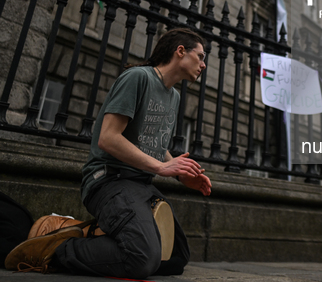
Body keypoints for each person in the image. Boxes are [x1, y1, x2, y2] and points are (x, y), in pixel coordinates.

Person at [5, 28, 212, 277]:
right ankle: (55, 249)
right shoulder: (138, 78)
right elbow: (108, 138)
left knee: (176, 258)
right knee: (142, 259)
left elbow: (153, 142)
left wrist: (179, 173)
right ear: (180, 51)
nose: (203, 64)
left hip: (141, 185)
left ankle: (96, 233)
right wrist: (160, 168)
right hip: (109, 181)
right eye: (200, 56)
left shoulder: (174, 96)